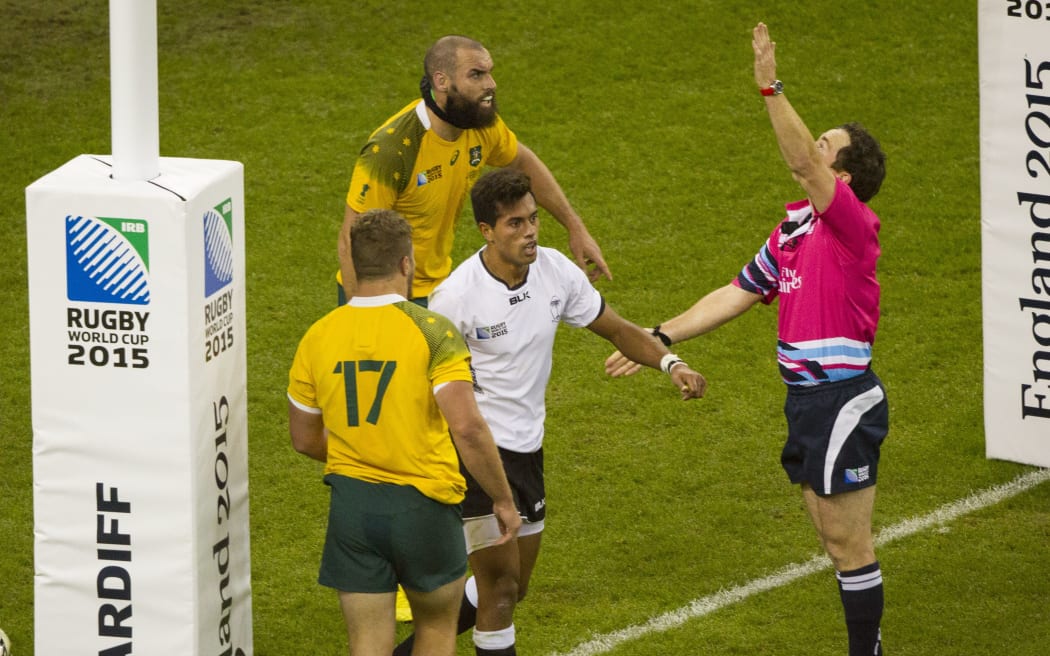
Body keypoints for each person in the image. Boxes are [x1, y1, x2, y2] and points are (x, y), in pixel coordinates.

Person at [606, 22, 889, 656]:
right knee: (830, 536)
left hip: (842, 399)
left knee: (848, 542)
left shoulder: (851, 224)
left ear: (840, 177)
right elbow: (735, 293)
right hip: (807, 401)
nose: (811, 152)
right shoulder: (792, 229)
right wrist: (656, 336)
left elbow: (797, 159)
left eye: (824, 148)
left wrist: (771, 87)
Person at [392, 168, 706, 656]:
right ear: (487, 232)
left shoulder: (555, 271)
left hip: (527, 451)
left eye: (533, 219)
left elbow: (618, 329)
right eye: (515, 224)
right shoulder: (456, 297)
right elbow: (424, 382)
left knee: (514, 587)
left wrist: (670, 362)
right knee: (499, 592)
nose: (531, 231)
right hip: (477, 452)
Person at [288, 209, 522, 656]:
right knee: (435, 629)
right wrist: (502, 498)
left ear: (354, 266)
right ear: (406, 264)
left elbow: (303, 437)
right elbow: (468, 428)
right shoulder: (434, 332)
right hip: (424, 509)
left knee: (367, 643)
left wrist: (365, 453)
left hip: (352, 508)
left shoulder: (318, 335)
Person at [337, 34, 610, 307]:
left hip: (439, 289)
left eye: (489, 73)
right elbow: (352, 242)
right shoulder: (391, 151)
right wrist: (361, 317)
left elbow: (523, 162)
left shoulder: (480, 124)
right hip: (384, 294)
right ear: (442, 81)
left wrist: (575, 228)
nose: (491, 84)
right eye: (476, 75)